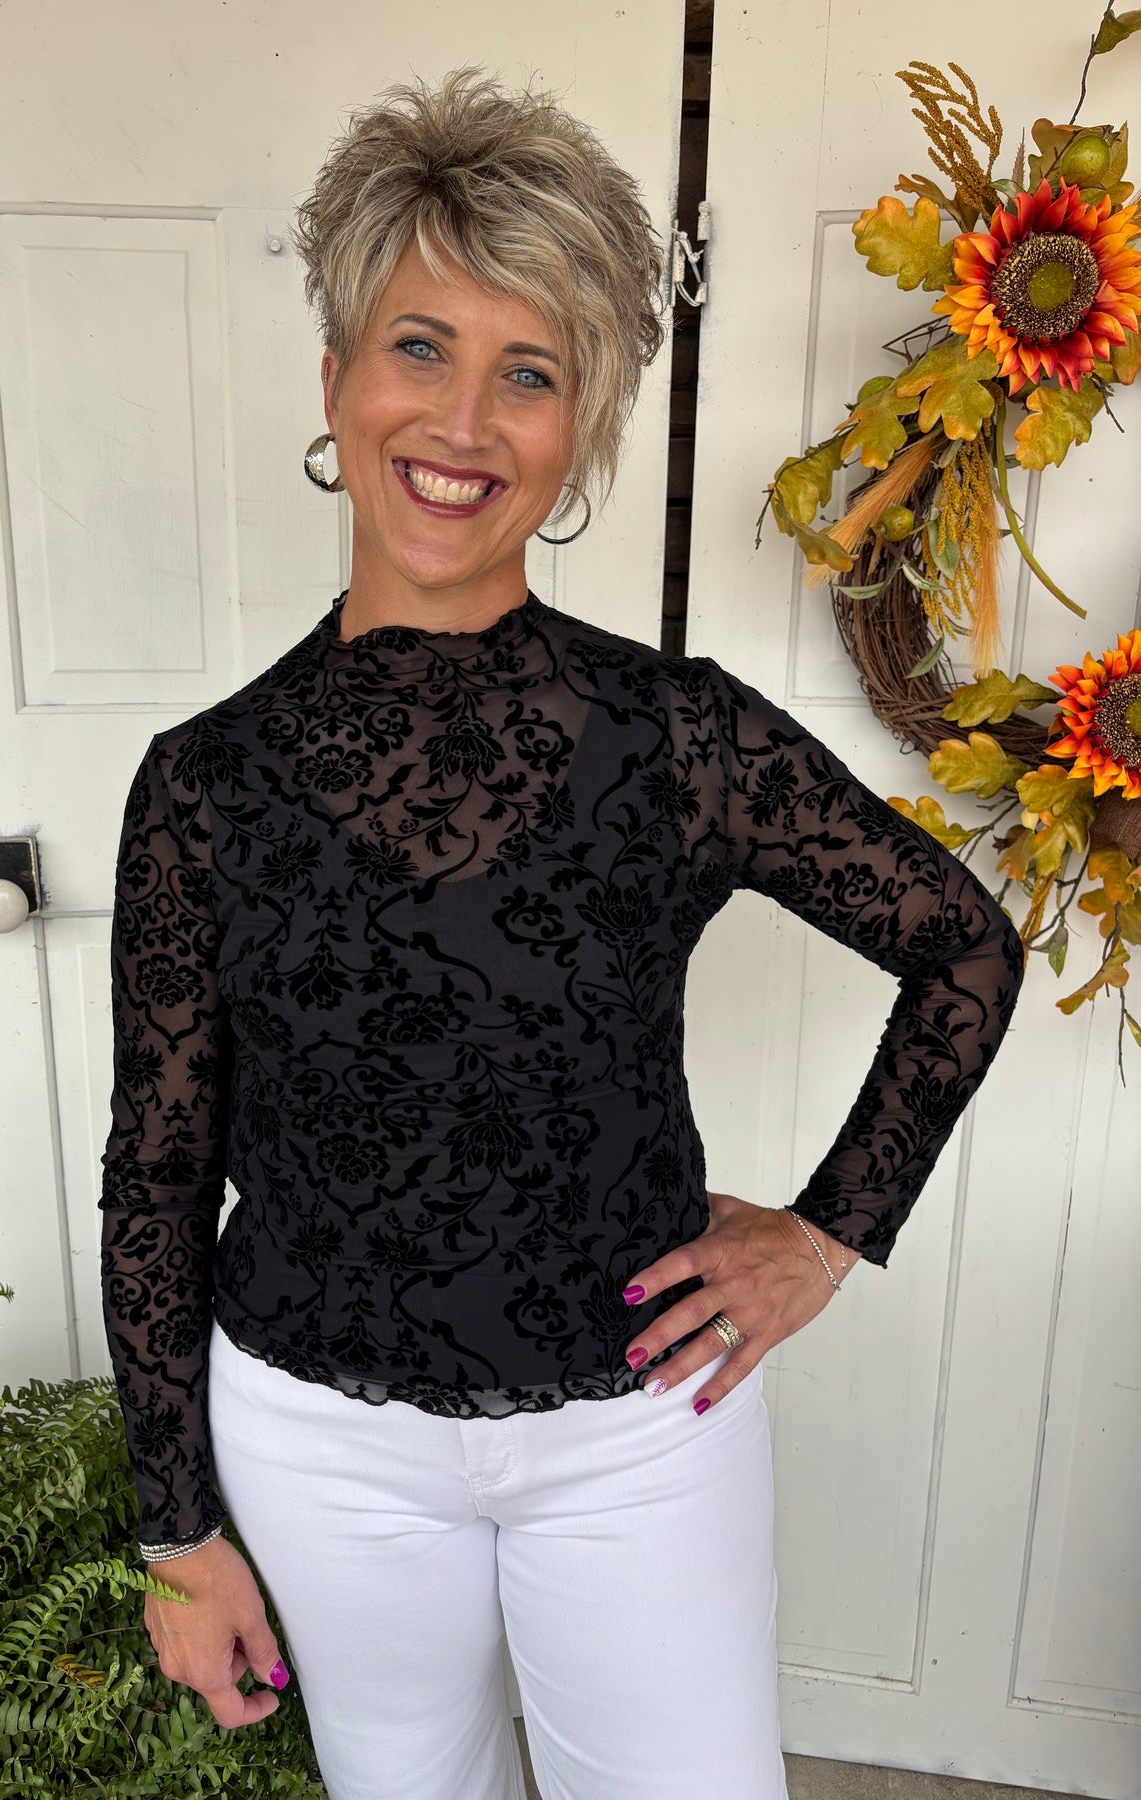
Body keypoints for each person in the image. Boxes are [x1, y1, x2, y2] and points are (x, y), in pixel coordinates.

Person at [99, 67, 1026, 1800]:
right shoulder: (200, 783)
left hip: (638, 1438)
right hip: (312, 1441)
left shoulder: (680, 737)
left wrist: (826, 1236)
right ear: (334, 377)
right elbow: (156, 1173)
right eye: (419, 346)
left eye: (529, 371)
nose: (463, 421)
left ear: (582, 425)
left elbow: (964, 948)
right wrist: (177, 1533)